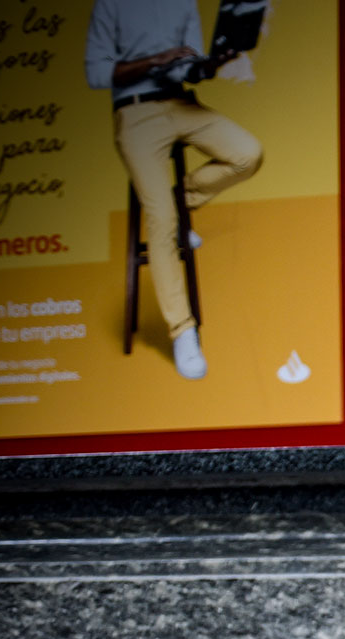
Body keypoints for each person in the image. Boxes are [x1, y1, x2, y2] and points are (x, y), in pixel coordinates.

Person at [85, 0, 264, 380]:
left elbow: (187, 69)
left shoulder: (183, 3)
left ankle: (179, 205)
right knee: (160, 219)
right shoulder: (110, 5)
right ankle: (183, 331)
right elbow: (97, 73)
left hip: (182, 103)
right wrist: (155, 60)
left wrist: (208, 65)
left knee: (248, 154)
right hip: (135, 114)